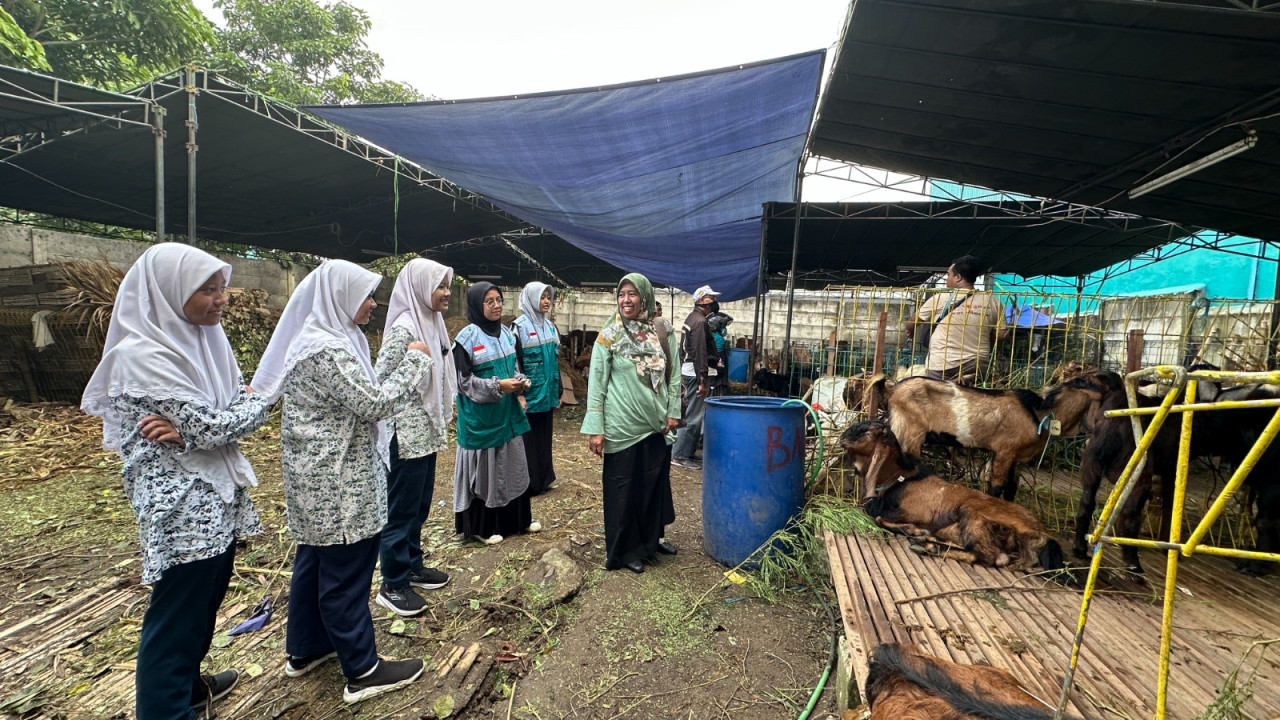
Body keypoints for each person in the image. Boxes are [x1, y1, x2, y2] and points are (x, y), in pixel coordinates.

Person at [82, 243, 273, 720]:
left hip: (217, 493)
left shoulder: (205, 340)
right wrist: (232, 414)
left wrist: (231, 413)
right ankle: (165, 708)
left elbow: (234, 407)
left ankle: (186, 684)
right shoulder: (142, 353)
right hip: (181, 505)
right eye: (206, 289)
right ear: (169, 293)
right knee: (177, 612)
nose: (221, 298)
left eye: (222, 287)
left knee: (206, 598)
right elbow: (215, 423)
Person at [252, 260, 430, 704]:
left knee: (314, 563)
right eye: (366, 295)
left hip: (317, 478)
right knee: (346, 572)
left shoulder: (322, 339)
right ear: (341, 297)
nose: (373, 304)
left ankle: (307, 648)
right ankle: (363, 670)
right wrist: (415, 363)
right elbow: (372, 404)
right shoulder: (327, 351)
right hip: (338, 483)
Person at [581, 273, 680, 574]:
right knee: (623, 489)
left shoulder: (662, 331)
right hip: (621, 427)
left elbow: (673, 375)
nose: (626, 299)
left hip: (657, 424)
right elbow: (596, 384)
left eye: (633, 294)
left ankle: (652, 541)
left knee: (652, 485)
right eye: (622, 293)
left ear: (645, 297)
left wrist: (673, 410)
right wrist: (596, 427)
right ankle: (626, 550)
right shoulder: (608, 336)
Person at [373, 259, 456, 618]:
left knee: (420, 504)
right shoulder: (404, 329)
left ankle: (412, 564)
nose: (447, 293)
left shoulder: (434, 323)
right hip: (405, 433)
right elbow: (380, 379)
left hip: (427, 430)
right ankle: (393, 582)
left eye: (448, 286)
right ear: (421, 288)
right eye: (440, 286)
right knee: (402, 508)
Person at [452, 282, 538, 544]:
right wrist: (496, 386)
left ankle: (517, 521)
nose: (496, 305)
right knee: (487, 470)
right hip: (482, 418)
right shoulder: (466, 339)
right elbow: (462, 382)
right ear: (477, 305)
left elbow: (512, 367)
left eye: (499, 299)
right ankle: (485, 527)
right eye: (489, 301)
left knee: (513, 465)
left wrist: (518, 381)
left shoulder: (508, 334)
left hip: (507, 414)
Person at [904, 255, 1009, 384]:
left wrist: (910, 330)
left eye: (949, 274)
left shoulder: (940, 298)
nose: (946, 278)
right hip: (976, 365)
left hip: (941, 364)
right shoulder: (992, 302)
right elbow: (1001, 335)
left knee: (938, 401)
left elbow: (912, 322)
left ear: (958, 277)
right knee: (971, 401)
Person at [513, 281, 561, 496]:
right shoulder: (519, 327)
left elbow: (556, 361)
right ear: (531, 298)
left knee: (544, 436)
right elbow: (515, 363)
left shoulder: (550, 326)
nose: (546, 301)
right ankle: (529, 483)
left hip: (547, 392)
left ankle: (544, 478)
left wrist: (558, 389)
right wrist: (519, 394)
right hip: (531, 394)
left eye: (548, 297)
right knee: (529, 439)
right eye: (542, 297)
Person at [670, 285, 722, 469]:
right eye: (710, 297)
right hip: (695, 371)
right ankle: (680, 455)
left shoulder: (694, 318)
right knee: (694, 415)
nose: (714, 300)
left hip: (691, 369)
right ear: (701, 300)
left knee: (694, 412)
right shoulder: (700, 322)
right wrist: (702, 379)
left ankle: (687, 452)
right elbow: (699, 351)